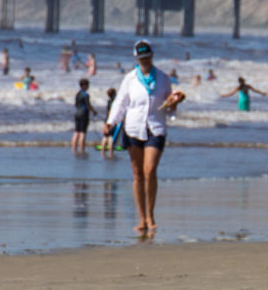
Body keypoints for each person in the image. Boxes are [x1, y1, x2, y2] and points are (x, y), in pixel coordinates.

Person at [105, 40, 186, 237]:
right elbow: (121, 102)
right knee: (137, 173)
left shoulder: (163, 78)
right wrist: (110, 122)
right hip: (132, 128)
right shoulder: (130, 79)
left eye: (148, 57)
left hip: (155, 128)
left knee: (150, 170)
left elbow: (169, 107)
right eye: (142, 58)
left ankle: (151, 215)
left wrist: (174, 102)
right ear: (137, 59)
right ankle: (141, 218)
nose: (146, 60)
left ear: (152, 56)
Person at [70, 77, 94, 154]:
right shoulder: (86, 95)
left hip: (77, 113)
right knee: (83, 132)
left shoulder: (78, 94)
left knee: (76, 131)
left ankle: (73, 149)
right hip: (84, 113)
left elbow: (76, 104)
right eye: (87, 85)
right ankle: (82, 149)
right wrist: (94, 111)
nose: (88, 87)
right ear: (84, 85)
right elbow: (88, 105)